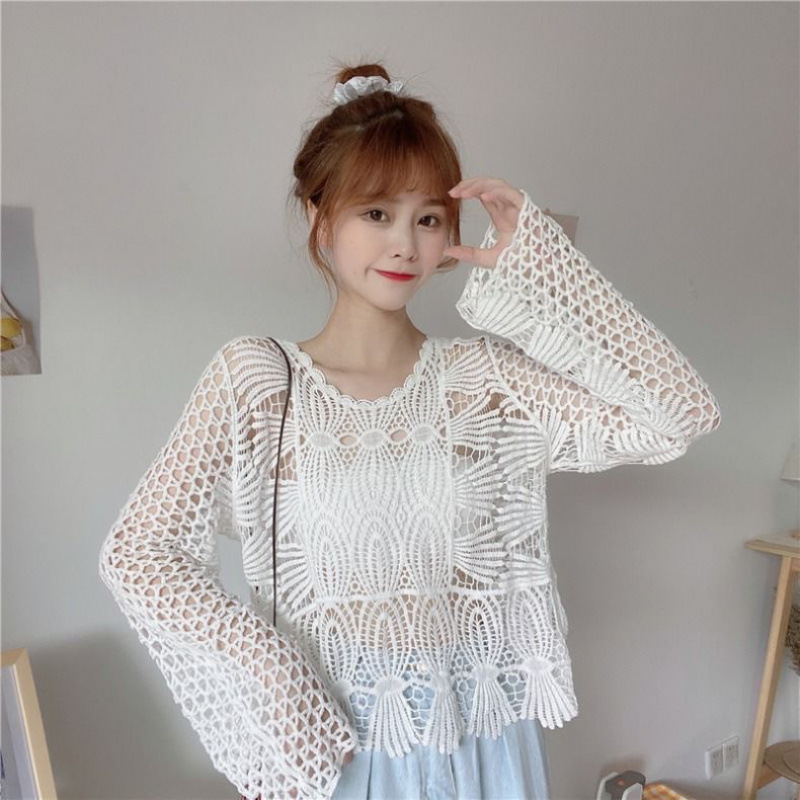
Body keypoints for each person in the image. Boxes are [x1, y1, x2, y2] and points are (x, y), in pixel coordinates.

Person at [98, 62, 722, 800]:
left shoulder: (484, 383)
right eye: (376, 213)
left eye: (427, 218)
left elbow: (676, 414)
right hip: (344, 748)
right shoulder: (258, 383)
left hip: (487, 743)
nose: (404, 244)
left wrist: (542, 272)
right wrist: (270, 670)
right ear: (320, 218)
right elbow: (139, 554)